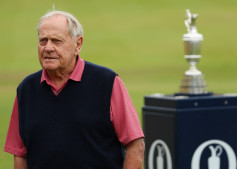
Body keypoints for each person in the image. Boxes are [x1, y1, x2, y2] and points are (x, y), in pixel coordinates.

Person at [4, 10, 145, 169]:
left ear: (78, 44)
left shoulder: (107, 82)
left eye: (57, 41)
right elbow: (20, 154)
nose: (48, 48)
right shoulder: (26, 89)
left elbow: (135, 145)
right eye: (43, 40)